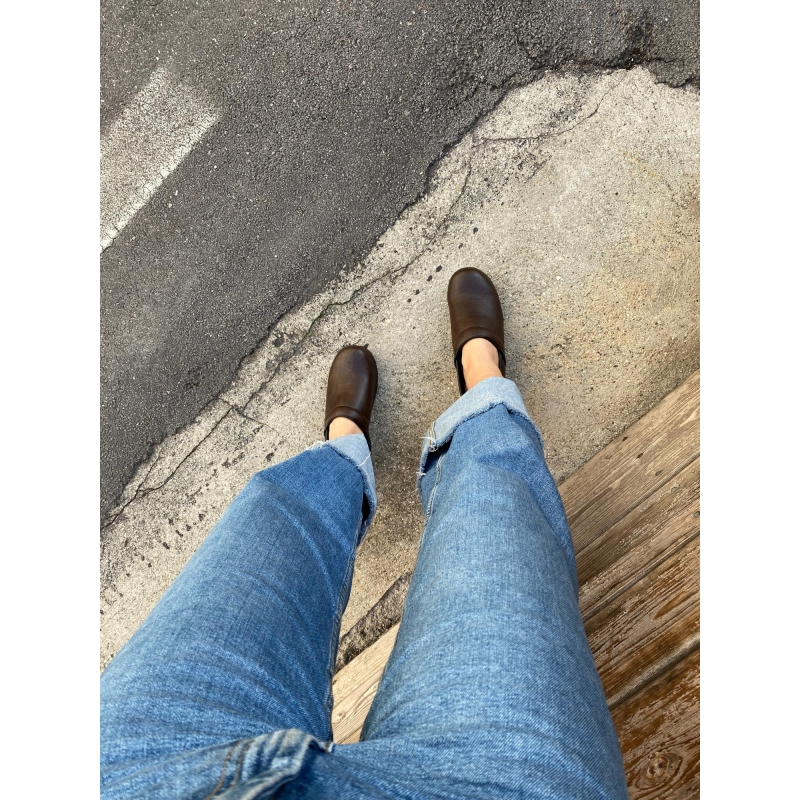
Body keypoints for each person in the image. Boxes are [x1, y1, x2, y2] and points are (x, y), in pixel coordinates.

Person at [100, 268, 629, 799]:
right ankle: (481, 377)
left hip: (144, 773)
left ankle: (344, 449)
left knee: (272, 515)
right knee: (493, 496)